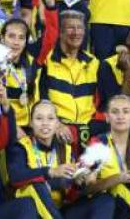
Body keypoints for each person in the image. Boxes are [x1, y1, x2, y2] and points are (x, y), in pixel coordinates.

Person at [7, 100, 115, 219]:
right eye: (39, 118)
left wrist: (77, 182)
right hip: (32, 212)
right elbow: (16, 177)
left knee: (105, 200)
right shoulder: (21, 147)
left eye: (50, 118)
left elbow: (69, 194)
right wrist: (51, 172)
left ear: (57, 123)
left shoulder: (65, 148)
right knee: (36, 186)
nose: (45, 123)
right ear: (31, 123)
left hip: (61, 210)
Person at [86, 95, 130, 218]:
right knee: (120, 187)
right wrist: (118, 178)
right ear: (107, 118)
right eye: (115, 112)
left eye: (126, 111)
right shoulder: (97, 143)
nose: (120, 116)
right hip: (102, 206)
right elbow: (88, 188)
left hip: (128, 208)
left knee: (128, 189)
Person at [39, 10, 100, 151]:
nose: (76, 32)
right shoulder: (47, 61)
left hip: (87, 126)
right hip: (58, 125)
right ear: (60, 32)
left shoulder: (93, 62)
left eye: (80, 28)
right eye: (70, 27)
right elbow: (41, 97)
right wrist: (56, 124)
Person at [0, 0, 58, 129]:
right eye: (11, 36)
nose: (16, 42)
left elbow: (51, 36)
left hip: (32, 128)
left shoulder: (33, 60)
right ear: (2, 38)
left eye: (21, 38)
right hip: (5, 128)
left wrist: (50, 6)